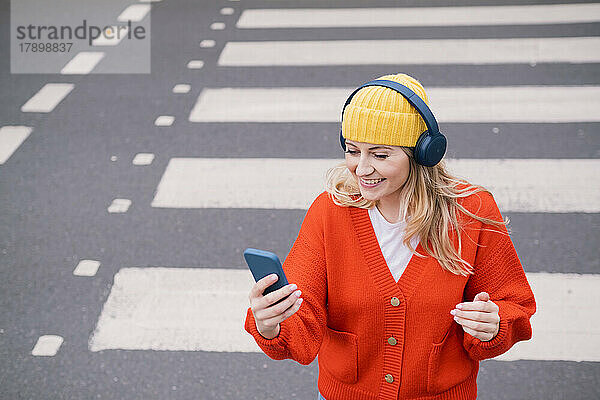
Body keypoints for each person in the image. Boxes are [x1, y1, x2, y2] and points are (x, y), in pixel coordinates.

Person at [244, 73, 536, 400]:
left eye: (380, 155)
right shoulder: (329, 211)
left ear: (423, 154)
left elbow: (515, 305)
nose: (362, 168)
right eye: (353, 151)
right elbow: (302, 313)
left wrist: (494, 324)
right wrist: (270, 324)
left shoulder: (471, 211)